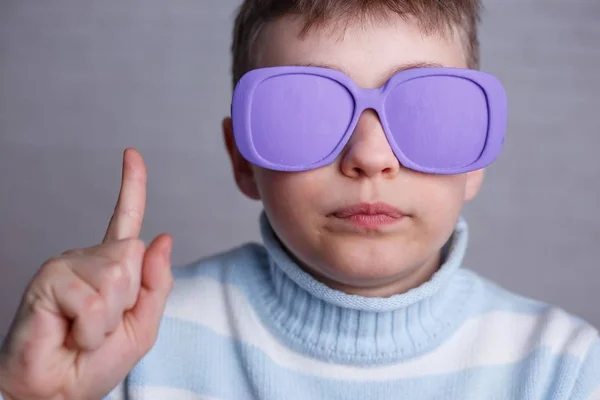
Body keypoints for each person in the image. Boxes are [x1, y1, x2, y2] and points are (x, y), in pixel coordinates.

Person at [1, 0, 599, 399]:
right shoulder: (131, 347)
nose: (370, 155)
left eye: (429, 112)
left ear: (476, 158)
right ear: (242, 159)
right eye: (307, 110)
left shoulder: (564, 370)